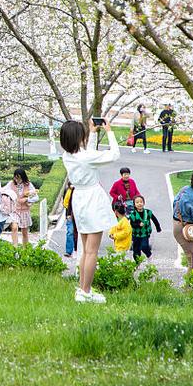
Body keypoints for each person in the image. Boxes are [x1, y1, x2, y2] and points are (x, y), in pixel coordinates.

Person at [61, 119, 120, 303]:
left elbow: (89, 154)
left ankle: (82, 289)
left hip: (80, 199)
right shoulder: (85, 158)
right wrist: (109, 131)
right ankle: (85, 292)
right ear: (78, 138)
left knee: (85, 250)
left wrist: (93, 133)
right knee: (92, 251)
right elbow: (114, 155)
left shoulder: (68, 156)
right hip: (92, 199)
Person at [4, 167, 38, 246]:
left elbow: (36, 197)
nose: (17, 180)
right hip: (15, 210)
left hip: (24, 211)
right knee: (14, 228)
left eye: (19, 178)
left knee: (24, 233)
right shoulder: (11, 184)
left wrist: (27, 199)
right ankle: (15, 248)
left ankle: (24, 250)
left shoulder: (28, 185)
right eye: (16, 178)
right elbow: (3, 190)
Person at [127, 194, 161, 261]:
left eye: (141, 202)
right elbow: (132, 224)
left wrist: (158, 227)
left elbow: (154, 219)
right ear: (134, 204)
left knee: (144, 246)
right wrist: (138, 224)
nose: (139, 204)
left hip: (145, 233)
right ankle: (137, 263)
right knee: (136, 250)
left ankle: (149, 255)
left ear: (144, 203)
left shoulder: (148, 212)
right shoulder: (133, 214)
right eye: (137, 202)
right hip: (135, 234)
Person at [63, 185, 77, 258]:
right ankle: (68, 251)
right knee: (70, 231)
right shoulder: (68, 190)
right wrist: (68, 214)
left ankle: (77, 249)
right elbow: (68, 203)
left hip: (81, 215)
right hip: (71, 214)